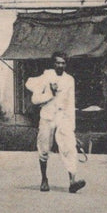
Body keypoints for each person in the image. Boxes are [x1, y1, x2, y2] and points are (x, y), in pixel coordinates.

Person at [26, 52, 85, 193]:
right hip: (47, 116)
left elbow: (70, 104)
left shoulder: (70, 80)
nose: (60, 65)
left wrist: (72, 126)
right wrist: (50, 94)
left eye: (63, 63)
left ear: (66, 64)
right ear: (53, 63)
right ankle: (44, 179)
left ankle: (72, 181)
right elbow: (35, 100)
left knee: (69, 146)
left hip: (62, 116)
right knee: (44, 148)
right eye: (58, 62)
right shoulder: (46, 77)